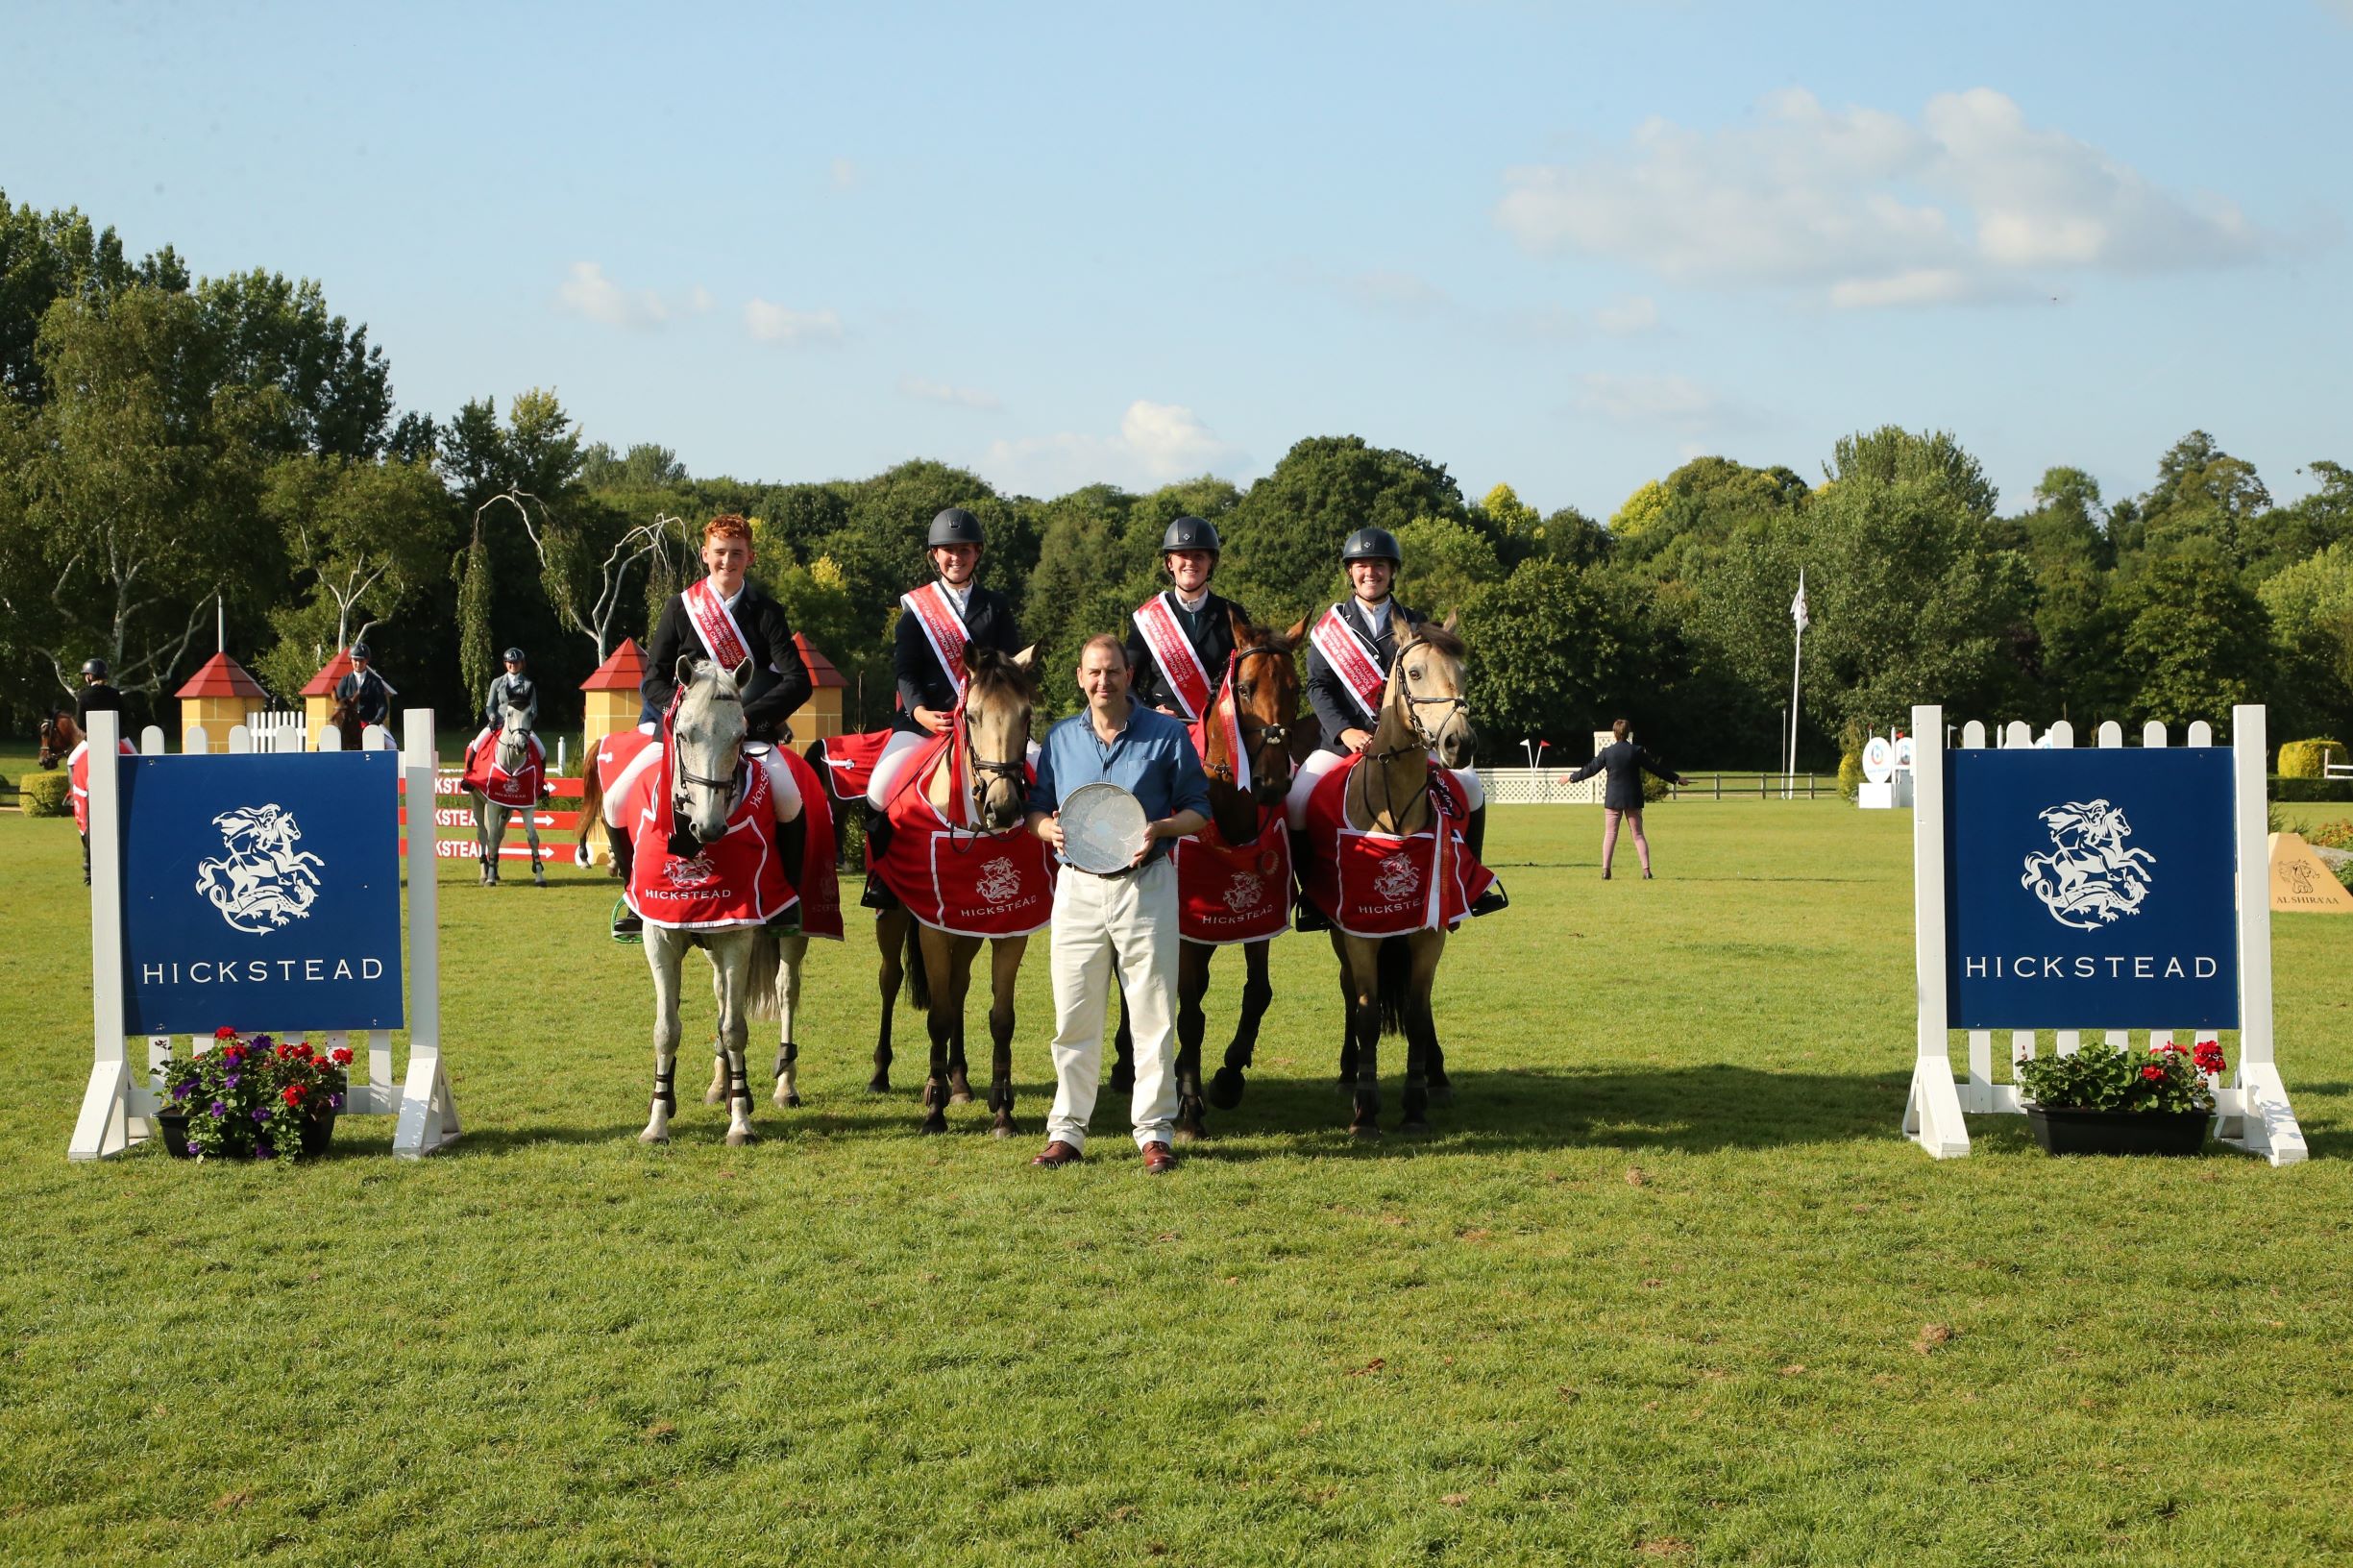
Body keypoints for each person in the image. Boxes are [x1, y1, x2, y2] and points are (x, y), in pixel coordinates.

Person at [1025, 635, 1210, 1174]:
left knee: (1153, 1016)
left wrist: (1162, 828)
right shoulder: (1060, 738)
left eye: (1112, 671)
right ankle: (1067, 1132)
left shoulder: (1166, 734)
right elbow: (1036, 810)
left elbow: (1199, 808)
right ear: (1080, 678)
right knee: (1073, 1016)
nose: (1103, 681)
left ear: (1129, 676)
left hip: (1145, 884)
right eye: (1094, 672)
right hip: (1077, 887)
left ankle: (1154, 1134)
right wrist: (1048, 830)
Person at [619, 513, 814, 936]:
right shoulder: (679, 607)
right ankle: (634, 898)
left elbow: (798, 681)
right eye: (720, 552)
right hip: (682, 732)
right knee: (617, 799)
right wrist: (683, 714)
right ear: (705, 555)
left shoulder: (766, 612)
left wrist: (748, 718)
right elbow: (652, 678)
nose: (728, 561)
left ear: (751, 557)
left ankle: (786, 897)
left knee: (789, 796)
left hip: (744, 730)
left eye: (737, 553)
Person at [1293, 527, 1489, 923]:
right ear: (1350, 572)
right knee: (1297, 800)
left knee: (1470, 785)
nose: (1371, 572)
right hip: (1345, 741)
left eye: (1379, 565)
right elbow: (1318, 686)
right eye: (1362, 566)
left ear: (1392, 571)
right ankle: (1312, 896)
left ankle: (1469, 884)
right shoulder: (1330, 630)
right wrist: (1344, 730)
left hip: (1412, 742)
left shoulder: (1418, 623)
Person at [861, 506, 1023, 907]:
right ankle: (881, 878)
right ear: (935, 555)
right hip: (926, 722)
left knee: (1037, 769)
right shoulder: (916, 610)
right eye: (948, 550)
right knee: (879, 788)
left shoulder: (996, 605)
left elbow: (1009, 667)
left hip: (986, 724)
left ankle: (1039, 865)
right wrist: (918, 712)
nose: (956, 557)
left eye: (965, 550)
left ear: (977, 553)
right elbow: (905, 671)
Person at [1124, 515, 1246, 723]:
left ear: (1211, 562)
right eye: (1182, 555)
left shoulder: (1233, 614)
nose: (1190, 562)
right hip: (1161, 729)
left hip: (1220, 729)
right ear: (1170, 562)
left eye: (1199, 556)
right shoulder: (1148, 618)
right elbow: (1125, 681)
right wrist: (1149, 714)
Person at [1567, 719, 1688, 879]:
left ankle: (1606, 871)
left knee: (1610, 834)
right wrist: (1676, 779)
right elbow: (1655, 768)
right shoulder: (1637, 751)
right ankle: (1646, 871)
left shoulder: (1607, 752)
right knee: (1638, 835)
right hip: (1633, 798)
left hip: (1613, 799)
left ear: (1615, 733)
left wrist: (1571, 778)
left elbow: (1590, 769)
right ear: (1629, 733)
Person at [333, 643, 395, 728]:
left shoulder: (375, 681)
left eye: (361, 660)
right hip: (349, 725)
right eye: (355, 660)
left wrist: (374, 723)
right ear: (351, 659)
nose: (358, 663)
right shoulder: (344, 681)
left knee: (389, 738)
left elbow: (382, 706)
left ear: (367, 661)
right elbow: (339, 704)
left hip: (371, 724)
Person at [483, 647, 538, 730]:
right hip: (499, 724)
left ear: (521, 663)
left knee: (537, 740)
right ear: (505, 663)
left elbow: (534, 710)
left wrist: (525, 722)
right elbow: (489, 706)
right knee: (480, 739)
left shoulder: (528, 685)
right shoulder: (496, 682)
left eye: (516, 662)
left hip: (521, 727)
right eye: (510, 662)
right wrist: (492, 717)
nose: (513, 665)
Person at [74, 658, 123, 732]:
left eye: (86, 675)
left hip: (92, 735)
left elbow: (80, 724)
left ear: (90, 676)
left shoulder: (83, 696)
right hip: (116, 735)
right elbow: (123, 718)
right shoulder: (115, 693)